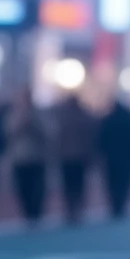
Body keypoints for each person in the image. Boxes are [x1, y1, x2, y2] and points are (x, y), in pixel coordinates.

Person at [5, 88, 49, 224]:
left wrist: (33, 123)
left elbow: (47, 132)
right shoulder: (14, 114)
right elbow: (8, 133)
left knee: (38, 188)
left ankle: (36, 213)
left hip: (37, 157)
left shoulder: (39, 114)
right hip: (20, 158)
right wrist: (22, 123)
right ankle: (27, 213)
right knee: (22, 188)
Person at [51, 92, 95, 224]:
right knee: (75, 185)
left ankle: (73, 209)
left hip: (72, 157)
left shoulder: (65, 117)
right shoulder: (81, 116)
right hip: (73, 156)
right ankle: (74, 209)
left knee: (72, 185)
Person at [95, 97, 130, 218]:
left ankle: (115, 204)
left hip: (112, 157)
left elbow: (102, 139)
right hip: (126, 156)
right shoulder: (128, 120)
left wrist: (101, 152)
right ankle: (122, 203)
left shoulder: (108, 120)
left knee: (112, 181)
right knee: (125, 181)